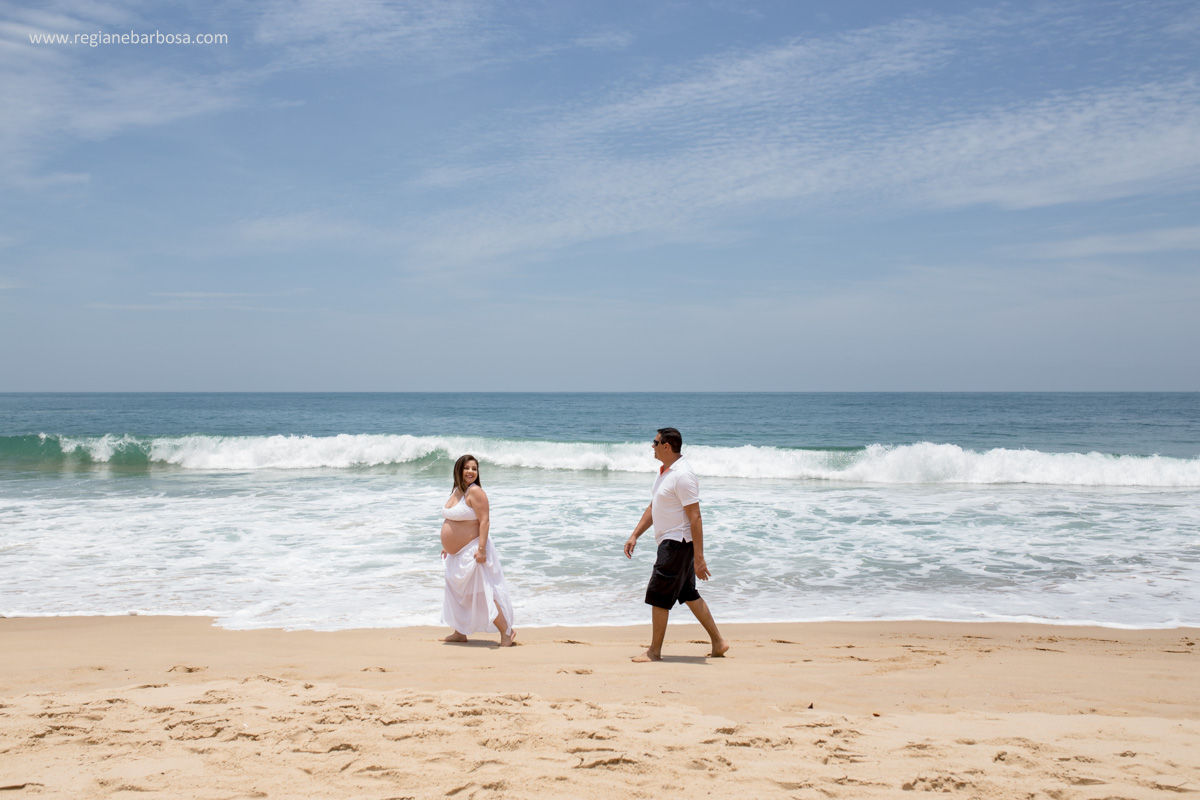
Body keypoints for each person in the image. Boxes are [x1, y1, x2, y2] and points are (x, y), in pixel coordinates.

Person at [623, 427, 729, 662]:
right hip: (671, 543)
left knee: (658, 593)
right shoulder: (665, 473)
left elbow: (695, 517)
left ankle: (654, 651)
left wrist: (699, 557)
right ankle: (719, 642)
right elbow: (653, 507)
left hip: (676, 543)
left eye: (655, 442)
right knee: (688, 593)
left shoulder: (683, 475)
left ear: (666, 446)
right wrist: (635, 535)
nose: (652, 446)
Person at [440, 454, 515, 647]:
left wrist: (481, 549)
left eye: (474, 468)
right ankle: (460, 632)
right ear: (459, 470)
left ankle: (507, 632)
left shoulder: (476, 492)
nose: (471, 472)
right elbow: (454, 521)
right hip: (457, 553)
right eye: (467, 468)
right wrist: (447, 545)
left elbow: (484, 521)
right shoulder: (457, 490)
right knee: (459, 593)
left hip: (473, 550)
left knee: (482, 593)